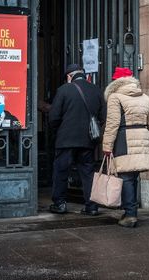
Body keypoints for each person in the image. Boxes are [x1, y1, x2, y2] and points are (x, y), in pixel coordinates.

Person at [102, 67, 149, 228]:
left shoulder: (115, 97)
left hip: (124, 139)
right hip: (142, 137)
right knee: (133, 177)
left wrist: (107, 146)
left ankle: (130, 214)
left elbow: (112, 124)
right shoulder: (144, 97)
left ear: (117, 82)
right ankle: (131, 210)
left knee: (126, 177)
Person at [48, 63, 106, 215]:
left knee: (61, 172)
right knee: (88, 173)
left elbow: (53, 117)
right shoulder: (96, 90)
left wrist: (58, 131)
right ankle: (91, 206)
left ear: (69, 76)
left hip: (65, 140)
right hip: (87, 141)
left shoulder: (63, 90)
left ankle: (60, 204)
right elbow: (103, 117)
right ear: (84, 75)